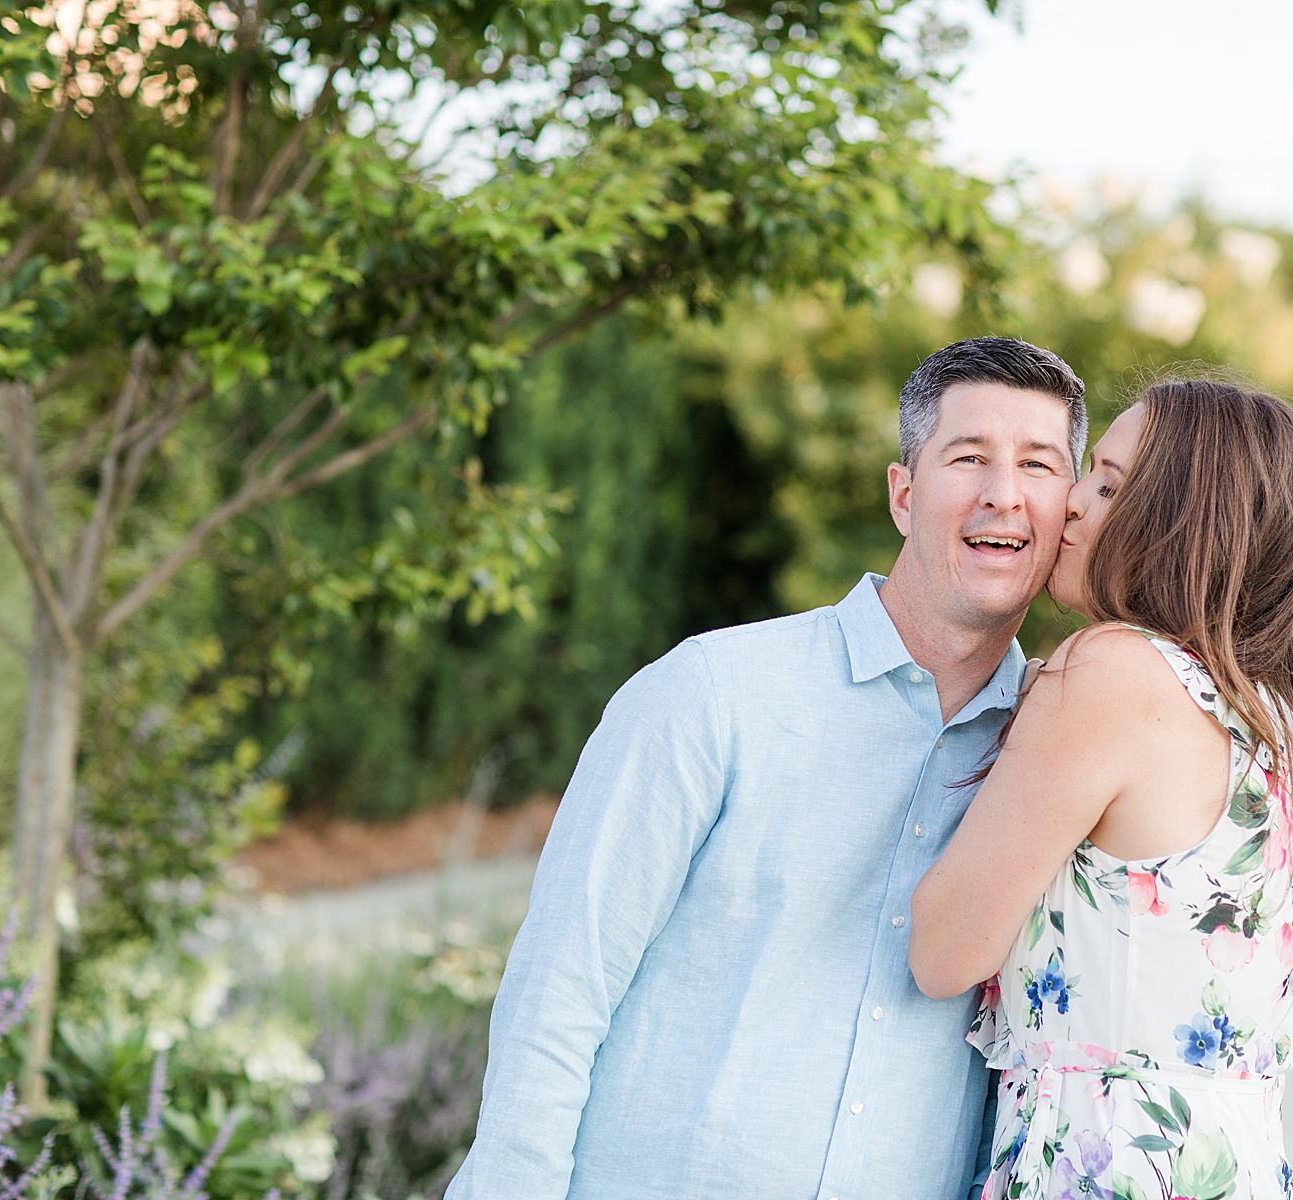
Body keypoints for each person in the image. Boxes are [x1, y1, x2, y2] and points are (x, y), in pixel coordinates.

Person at [445, 337, 1088, 1199]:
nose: (1002, 493)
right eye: (967, 457)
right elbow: (560, 990)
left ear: (1069, 508)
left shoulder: (1059, 760)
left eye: (1038, 466)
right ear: (903, 495)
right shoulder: (713, 693)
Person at [910, 378, 1293, 1200]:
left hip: (1108, 1168)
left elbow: (943, 952)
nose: (1072, 504)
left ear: (1188, 521)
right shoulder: (1267, 719)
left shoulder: (1109, 674)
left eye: (1112, 484)